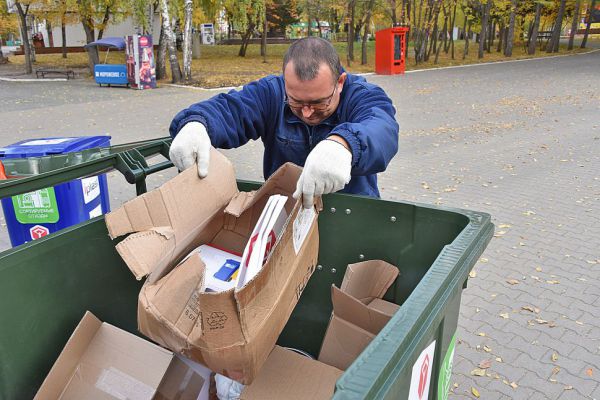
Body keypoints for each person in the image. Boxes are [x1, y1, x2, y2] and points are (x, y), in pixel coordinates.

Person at [169, 37, 399, 208]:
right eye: (296, 101)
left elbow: (382, 127)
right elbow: (231, 109)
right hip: (285, 213)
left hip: (353, 212)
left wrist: (345, 144)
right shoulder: (271, 92)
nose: (307, 113)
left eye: (319, 102)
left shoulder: (362, 95)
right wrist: (196, 123)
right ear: (286, 82)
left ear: (340, 82)